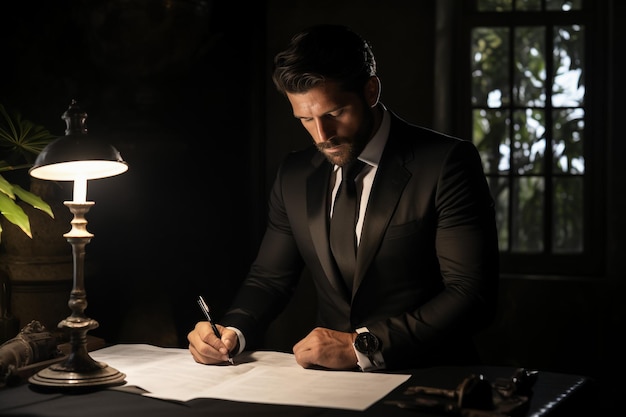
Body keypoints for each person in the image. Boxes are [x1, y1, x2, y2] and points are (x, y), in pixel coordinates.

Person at [188, 24, 499, 372]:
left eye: (334, 114)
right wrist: (231, 332)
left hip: (429, 379)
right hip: (331, 386)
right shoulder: (294, 174)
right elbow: (269, 279)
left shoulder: (445, 163)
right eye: (305, 119)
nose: (323, 136)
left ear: (370, 91)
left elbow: (472, 294)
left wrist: (362, 346)